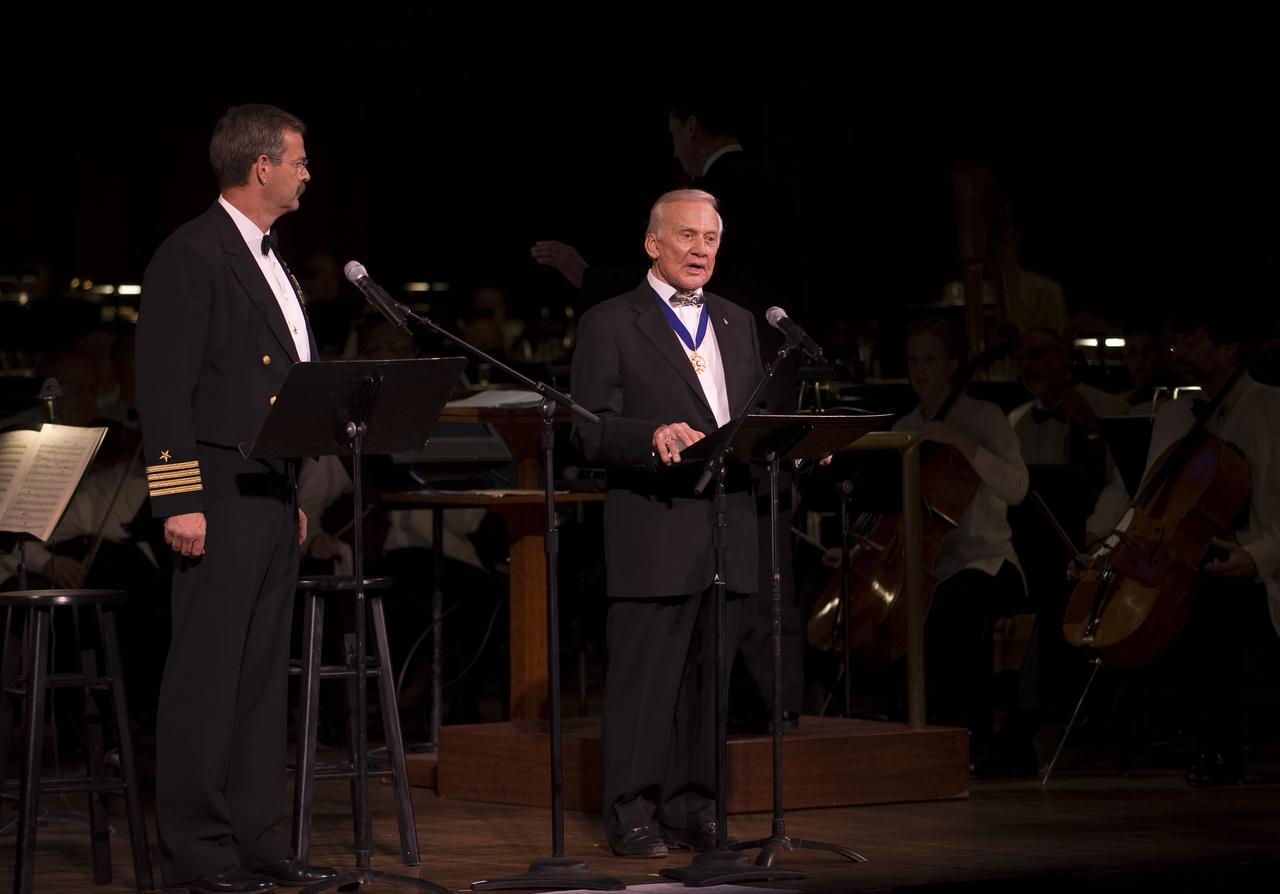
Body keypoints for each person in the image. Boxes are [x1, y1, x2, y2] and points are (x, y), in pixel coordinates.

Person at [135, 103, 336, 893]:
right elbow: (164, 389)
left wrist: (284, 487)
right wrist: (180, 499)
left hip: (264, 491)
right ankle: (201, 850)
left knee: (257, 683)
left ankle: (258, 839)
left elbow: (267, 389)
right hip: (211, 496)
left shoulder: (268, 254)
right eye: (299, 160)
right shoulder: (193, 252)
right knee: (207, 682)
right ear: (262, 167)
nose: (307, 172)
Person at [570, 188, 764, 857]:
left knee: (710, 688)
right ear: (653, 244)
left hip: (726, 527)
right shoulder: (611, 322)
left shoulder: (739, 322)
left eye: (711, 238)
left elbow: (751, 422)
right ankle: (633, 815)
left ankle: (695, 808)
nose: (701, 250)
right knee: (645, 685)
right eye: (687, 236)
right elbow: (587, 428)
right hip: (653, 527)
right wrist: (648, 435)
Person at [1086, 307, 1280, 784]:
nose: (1179, 354)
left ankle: (1220, 742)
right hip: (1204, 555)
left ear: (1230, 348)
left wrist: (1255, 556)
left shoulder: (1271, 408)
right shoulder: (1180, 413)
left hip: (1261, 568)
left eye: (1192, 342)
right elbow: (1151, 502)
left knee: (1211, 599)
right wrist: (1106, 549)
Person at [887, 319, 1029, 758]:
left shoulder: (982, 417)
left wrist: (959, 442)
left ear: (952, 364)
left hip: (987, 563)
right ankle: (905, 732)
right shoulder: (903, 427)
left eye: (930, 358)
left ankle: (964, 735)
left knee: (947, 609)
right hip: (928, 567)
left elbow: (1017, 487)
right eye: (913, 360)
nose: (920, 369)